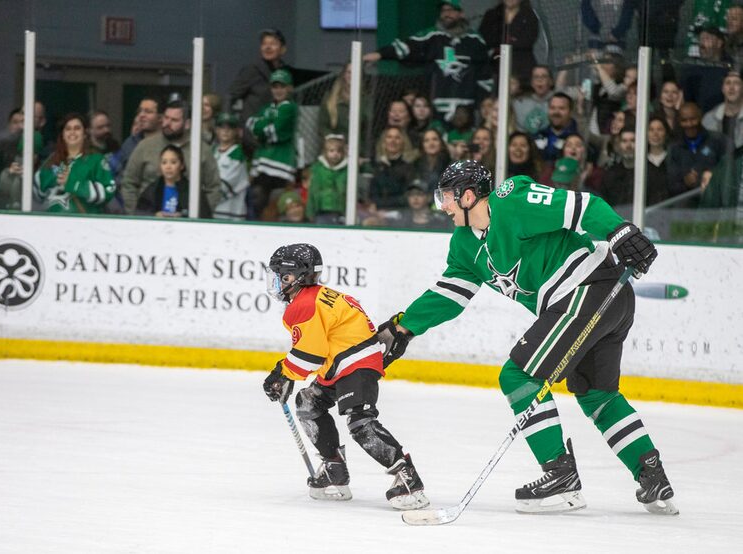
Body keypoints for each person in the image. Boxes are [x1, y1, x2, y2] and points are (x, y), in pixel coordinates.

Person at [377, 159, 678, 515]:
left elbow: (582, 207)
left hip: (588, 289)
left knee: (517, 375)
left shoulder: (512, 200)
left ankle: (560, 475)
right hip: (598, 299)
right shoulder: (463, 245)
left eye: (445, 196)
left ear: (468, 196)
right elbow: (449, 294)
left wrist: (619, 231)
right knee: (596, 393)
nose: (441, 205)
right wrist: (404, 327)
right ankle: (652, 476)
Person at [262, 243, 429, 509]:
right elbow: (318, 350)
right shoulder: (319, 296)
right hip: (343, 363)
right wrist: (286, 373)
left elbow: (310, 355)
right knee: (308, 403)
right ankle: (334, 469)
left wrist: (282, 373)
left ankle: (407, 477)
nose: (278, 282)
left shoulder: (304, 305)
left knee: (360, 422)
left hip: (355, 364)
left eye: (283, 276)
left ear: (300, 276)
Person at [363, 1, 493, 121]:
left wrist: (482, 101)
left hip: (467, 107)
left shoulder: (475, 40)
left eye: (451, 10)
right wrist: (379, 54)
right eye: (444, 10)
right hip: (435, 106)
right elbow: (406, 47)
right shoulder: (431, 36)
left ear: (461, 13)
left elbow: (485, 75)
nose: (447, 14)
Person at [122, 100, 221, 215]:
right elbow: (129, 183)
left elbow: (214, 188)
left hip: (188, 223)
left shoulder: (201, 150)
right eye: (166, 118)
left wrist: (197, 215)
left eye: (174, 120)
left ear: (187, 124)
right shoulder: (145, 146)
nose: (167, 123)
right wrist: (139, 214)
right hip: (148, 220)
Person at [35, 113, 116, 214]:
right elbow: (36, 194)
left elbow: (108, 191)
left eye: (77, 128)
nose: (72, 132)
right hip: (51, 224)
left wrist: (74, 183)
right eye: (68, 129)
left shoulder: (96, 160)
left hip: (84, 225)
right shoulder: (51, 161)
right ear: (63, 135)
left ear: (85, 134)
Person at [246, 69, 298, 220]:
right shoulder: (267, 108)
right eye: (275, 87)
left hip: (281, 166)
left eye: (282, 86)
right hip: (263, 164)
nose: (278, 90)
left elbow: (274, 132)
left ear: (289, 88)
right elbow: (251, 125)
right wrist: (264, 127)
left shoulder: (289, 107)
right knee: (257, 200)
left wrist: (263, 126)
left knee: (276, 206)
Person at [228, 29, 292, 122]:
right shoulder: (252, 70)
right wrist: (230, 124)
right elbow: (230, 96)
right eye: (264, 44)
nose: (268, 47)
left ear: (283, 49)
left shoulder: (285, 72)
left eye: (273, 44)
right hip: (253, 129)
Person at [667, 102, 728, 198]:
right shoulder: (674, 148)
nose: (689, 124)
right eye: (684, 120)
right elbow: (671, 186)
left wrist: (712, 177)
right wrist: (685, 183)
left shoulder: (718, 140)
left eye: (693, 119)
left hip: (715, 204)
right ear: (679, 121)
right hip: (686, 208)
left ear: (700, 117)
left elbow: (729, 174)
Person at [136, 144, 210, 218]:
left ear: (182, 165)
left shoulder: (192, 190)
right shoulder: (153, 189)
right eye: (164, 162)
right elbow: (139, 213)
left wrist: (183, 216)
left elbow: (204, 215)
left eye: (173, 162)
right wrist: (155, 215)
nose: (168, 167)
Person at [479, 0, 540, 87]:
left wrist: (501, 40)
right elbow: (485, 38)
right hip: (495, 65)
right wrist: (511, 39)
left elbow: (527, 41)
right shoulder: (491, 14)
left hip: (522, 66)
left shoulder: (529, 16)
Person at [212, 112, 249, 220]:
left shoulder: (238, 154)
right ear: (217, 130)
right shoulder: (212, 151)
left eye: (230, 128)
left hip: (232, 213)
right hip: (214, 212)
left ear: (236, 131)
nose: (225, 131)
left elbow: (224, 186)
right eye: (222, 127)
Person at [306, 134, 348, 225]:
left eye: (339, 151)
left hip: (341, 210)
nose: (335, 154)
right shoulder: (318, 169)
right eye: (331, 151)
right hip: (321, 210)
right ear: (325, 152)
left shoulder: (347, 170)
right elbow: (313, 190)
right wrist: (310, 212)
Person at [534, 93, 585, 162]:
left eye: (561, 108)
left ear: (570, 112)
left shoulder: (581, 134)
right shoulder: (539, 135)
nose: (556, 112)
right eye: (552, 108)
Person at [702, 70, 743, 150]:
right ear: (723, 89)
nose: (731, 87)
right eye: (728, 83)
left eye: (736, 83)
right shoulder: (709, 119)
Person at [514, 65, 554, 135]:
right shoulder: (520, 102)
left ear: (550, 81)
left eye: (544, 76)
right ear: (532, 83)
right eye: (536, 77)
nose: (539, 80)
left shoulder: (559, 101)